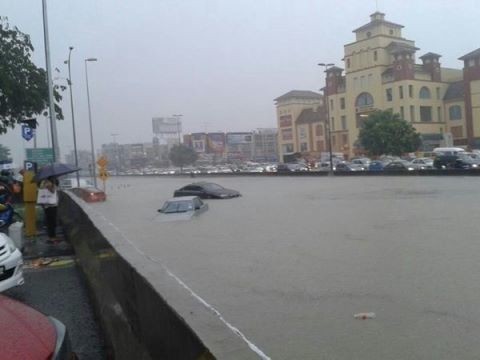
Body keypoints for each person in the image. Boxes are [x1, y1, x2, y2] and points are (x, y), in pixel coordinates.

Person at [39, 176, 59, 244]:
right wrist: (52, 185)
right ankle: (52, 238)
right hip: (51, 205)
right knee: (52, 222)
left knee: (49, 221)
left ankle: (51, 236)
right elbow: (53, 191)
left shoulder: (43, 182)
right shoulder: (49, 183)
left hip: (46, 205)